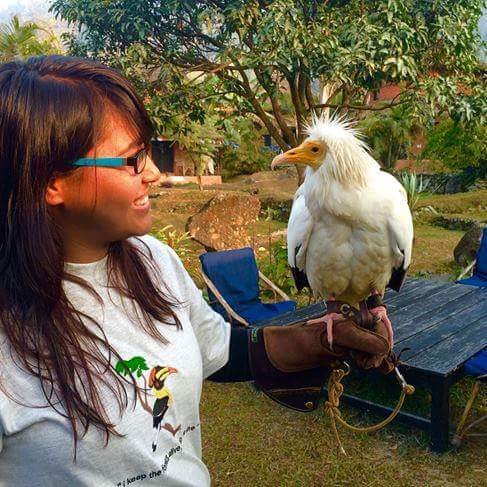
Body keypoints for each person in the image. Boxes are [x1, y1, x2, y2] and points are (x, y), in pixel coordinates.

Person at [0, 56, 392, 486]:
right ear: (51, 183)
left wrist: (320, 341)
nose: (154, 173)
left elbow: (222, 353)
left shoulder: (154, 260)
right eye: (132, 160)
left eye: (147, 151)